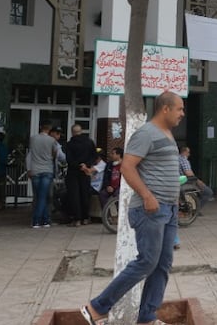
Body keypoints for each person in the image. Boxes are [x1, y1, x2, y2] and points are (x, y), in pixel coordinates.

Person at [79, 91, 184, 325]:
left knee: (163, 264)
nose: (182, 114)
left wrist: (173, 198)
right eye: (179, 109)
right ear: (165, 109)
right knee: (147, 261)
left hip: (168, 209)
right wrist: (147, 195)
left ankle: (147, 317)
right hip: (150, 210)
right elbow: (127, 167)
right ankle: (97, 307)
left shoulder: (167, 134)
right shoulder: (146, 133)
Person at [28, 122, 59, 228]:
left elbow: (31, 153)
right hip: (47, 170)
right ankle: (37, 220)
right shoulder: (52, 140)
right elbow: (55, 154)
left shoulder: (33, 138)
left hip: (35, 170)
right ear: (49, 130)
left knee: (38, 196)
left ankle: (45, 219)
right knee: (43, 196)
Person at [64, 124, 97, 227]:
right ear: (81, 131)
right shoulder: (89, 142)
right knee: (85, 194)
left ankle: (77, 219)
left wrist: (79, 165)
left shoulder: (69, 144)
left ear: (72, 132)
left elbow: (69, 159)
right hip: (85, 171)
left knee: (74, 195)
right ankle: (85, 218)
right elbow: (94, 156)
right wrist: (86, 165)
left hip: (73, 172)